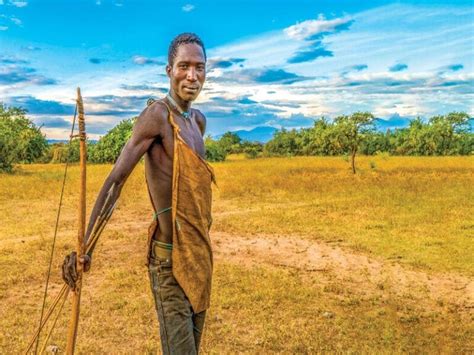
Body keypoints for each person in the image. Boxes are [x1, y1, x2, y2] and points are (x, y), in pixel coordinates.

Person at [62, 32, 216, 354]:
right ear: (169, 71)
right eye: (183, 66)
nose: (192, 76)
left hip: (199, 256)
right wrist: (85, 245)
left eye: (199, 67)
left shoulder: (197, 122)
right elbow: (116, 180)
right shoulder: (158, 116)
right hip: (168, 261)